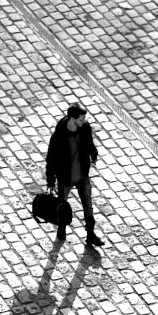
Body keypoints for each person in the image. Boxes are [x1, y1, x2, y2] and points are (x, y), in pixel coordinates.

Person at [45, 103, 104, 248]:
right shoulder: (58, 137)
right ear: (72, 119)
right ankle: (61, 228)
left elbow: (89, 143)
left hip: (82, 175)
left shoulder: (84, 128)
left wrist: (94, 154)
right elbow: (51, 160)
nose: (84, 122)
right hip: (65, 177)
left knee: (88, 206)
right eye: (81, 119)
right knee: (62, 205)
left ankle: (90, 234)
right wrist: (51, 181)